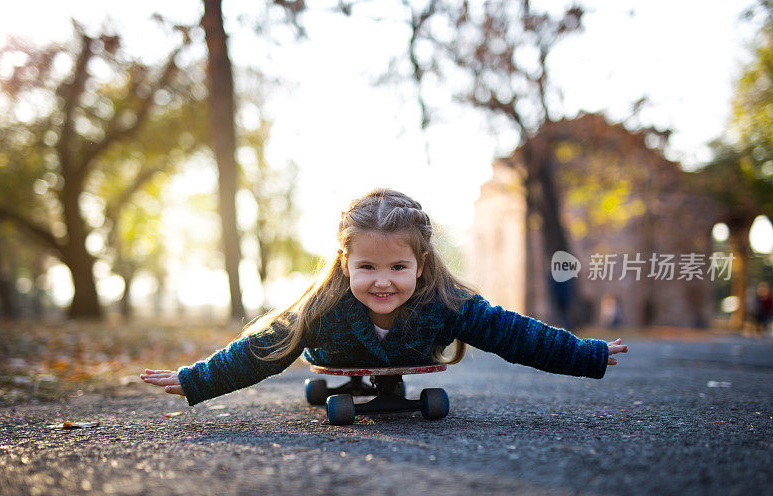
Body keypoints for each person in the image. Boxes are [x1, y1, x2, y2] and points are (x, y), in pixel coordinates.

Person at [141, 189, 628, 406]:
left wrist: (585, 353)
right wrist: (197, 380)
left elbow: (513, 334)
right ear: (344, 264)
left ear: (420, 264)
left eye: (398, 267)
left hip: (409, 358)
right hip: (339, 359)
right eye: (367, 267)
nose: (383, 281)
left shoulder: (446, 302)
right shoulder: (323, 308)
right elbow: (262, 349)